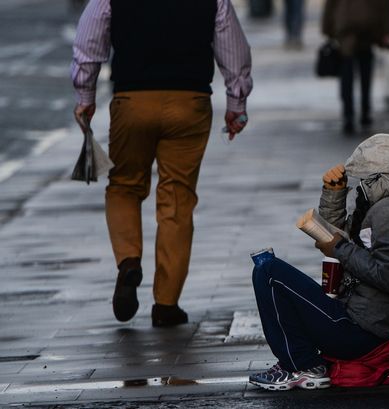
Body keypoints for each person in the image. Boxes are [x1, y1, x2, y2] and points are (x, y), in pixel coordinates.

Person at [71, 0, 253, 327]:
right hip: (190, 101)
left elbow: (89, 41)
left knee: (124, 186)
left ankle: (128, 262)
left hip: (133, 101)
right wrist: (236, 101)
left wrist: (85, 95)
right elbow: (233, 48)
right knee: (177, 199)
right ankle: (167, 303)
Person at [249, 134, 389, 390]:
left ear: (380, 178)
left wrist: (339, 248)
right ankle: (303, 362)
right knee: (272, 274)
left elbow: (388, 277)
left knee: (270, 272)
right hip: (354, 320)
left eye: (364, 180)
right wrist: (334, 195)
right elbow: (344, 242)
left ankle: (298, 365)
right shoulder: (382, 206)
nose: (360, 187)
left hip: (361, 332)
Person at [322, 0, 389, 134]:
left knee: (347, 74)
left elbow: (331, 4)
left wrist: (328, 29)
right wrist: (388, 30)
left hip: (346, 24)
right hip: (368, 24)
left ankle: (348, 115)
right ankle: (365, 112)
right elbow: (385, 5)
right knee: (364, 72)